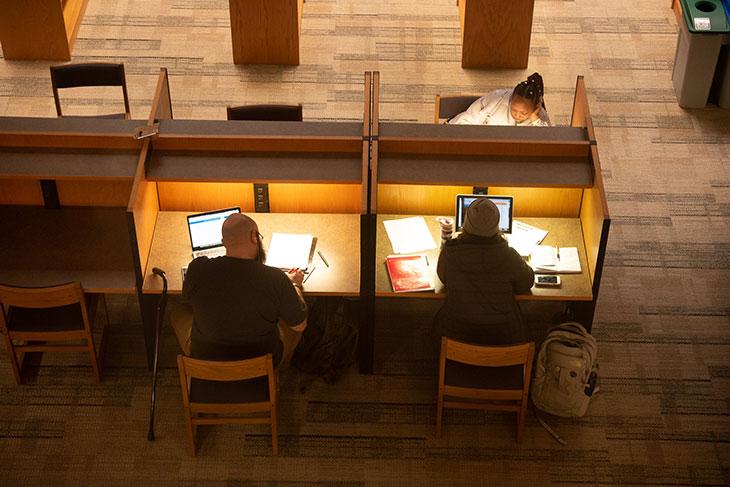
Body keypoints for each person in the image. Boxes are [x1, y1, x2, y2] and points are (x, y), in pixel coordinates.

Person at [172, 213, 307, 367]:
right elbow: (299, 325)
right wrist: (294, 285)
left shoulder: (198, 269)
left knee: (178, 310)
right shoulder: (275, 278)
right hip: (260, 364)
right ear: (254, 237)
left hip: (207, 359)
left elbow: (187, 299)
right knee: (292, 319)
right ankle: (283, 369)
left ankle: (201, 371)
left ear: (223, 242)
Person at [433, 198, 535, 345]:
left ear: (465, 225)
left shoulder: (450, 253)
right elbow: (527, 282)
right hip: (503, 337)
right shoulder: (509, 255)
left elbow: (443, 278)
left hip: (456, 335)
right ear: (497, 227)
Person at [448, 73, 550, 126]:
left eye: (523, 113)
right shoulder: (498, 99)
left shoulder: (539, 116)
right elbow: (472, 115)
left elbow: (547, 141)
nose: (517, 115)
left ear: (535, 108)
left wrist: (534, 118)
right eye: (514, 109)